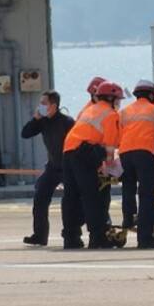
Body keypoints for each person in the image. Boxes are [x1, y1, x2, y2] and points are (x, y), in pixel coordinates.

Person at [61, 81, 122, 249]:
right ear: (110, 98)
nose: (118, 103)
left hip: (68, 150)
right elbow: (109, 146)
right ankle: (97, 237)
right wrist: (109, 166)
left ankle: (71, 237)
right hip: (84, 152)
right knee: (91, 195)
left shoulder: (89, 110)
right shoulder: (110, 114)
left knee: (71, 196)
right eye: (117, 99)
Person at [118, 80, 154, 248]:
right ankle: (145, 237)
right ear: (151, 95)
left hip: (125, 153)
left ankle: (128, 218)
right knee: (146, 195)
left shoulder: (124, 111)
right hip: (144, 154)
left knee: (128, 187)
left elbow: (119, 135)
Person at [21, 90, 75, 246]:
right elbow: (25, 133)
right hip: (52, 167)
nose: (41, 106)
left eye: (44, 103)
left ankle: (71, 235)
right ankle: (40, 236)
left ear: (54, 106)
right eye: (40, 103)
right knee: (40, 199)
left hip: (67, 167)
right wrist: (35, 119)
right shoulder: (43, 121)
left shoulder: (67, 122)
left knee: (71, 201)